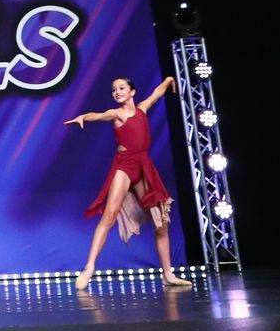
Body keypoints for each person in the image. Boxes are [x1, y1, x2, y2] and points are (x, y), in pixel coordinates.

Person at [66, 75, 193, 289]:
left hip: (143, 167)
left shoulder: (142, 108)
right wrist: (83, 117)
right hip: (124, 166)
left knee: (161, 222)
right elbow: (97, 115)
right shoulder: (116, 114)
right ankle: (89, 267)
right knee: (109, 215)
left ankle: (168, 274)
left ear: (132, 92)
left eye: (121, 88)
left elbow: (157, 92)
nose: (117, 92)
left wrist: (169, 79)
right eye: (114, 89)